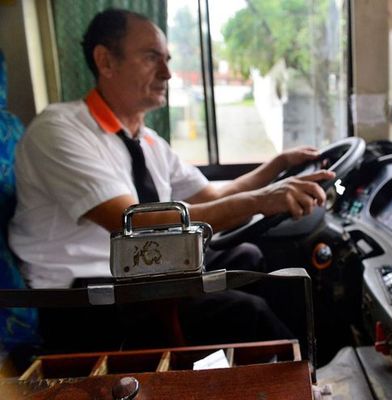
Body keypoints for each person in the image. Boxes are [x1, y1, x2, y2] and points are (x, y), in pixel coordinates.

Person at [8, 8, 334, 351]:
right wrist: (261, 199)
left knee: (247, 257)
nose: (167, 73)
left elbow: (211, 197)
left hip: (144, 277)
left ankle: (300, 361)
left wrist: (276, 166)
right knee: (246, 314)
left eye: (167, 59)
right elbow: (136, 225)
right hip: (85, 301)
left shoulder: (146, 141)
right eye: (151, 58)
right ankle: (300, 376)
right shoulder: (60, 130)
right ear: (105, 61)